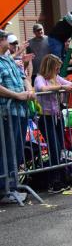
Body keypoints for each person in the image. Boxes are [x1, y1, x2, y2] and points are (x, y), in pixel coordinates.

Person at [34, 54, 72, 193]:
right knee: (53, 148)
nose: (58, 71)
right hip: (46, 118)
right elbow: (42, 89)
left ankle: (60, 178)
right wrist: (61, 87)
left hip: (57, 117)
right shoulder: (40, 78)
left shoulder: (56, 78)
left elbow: (69, 84)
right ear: (50, 67)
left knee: (59, 147)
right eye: (56, 69)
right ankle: (54, 181)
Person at [0, 30, 35, 203]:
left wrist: (29, 89)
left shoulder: (8, 59)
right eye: (7, 39)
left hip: (19, 112)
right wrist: (17, 95)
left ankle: (12, 186)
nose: (11, 43)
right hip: (6, 113)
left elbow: (23, 76)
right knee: (7, 152)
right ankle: (4, 189)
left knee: (16, 151)